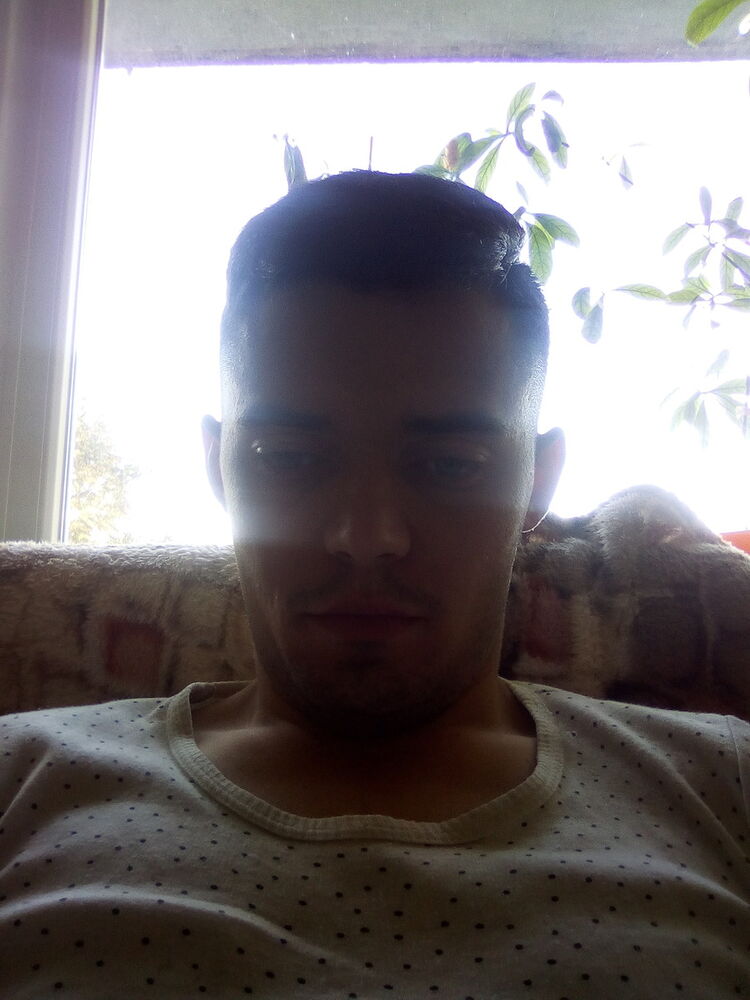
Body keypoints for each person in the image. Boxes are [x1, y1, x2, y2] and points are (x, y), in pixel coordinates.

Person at [1, 172, 748, 999]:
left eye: (449, 465)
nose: (364, 537)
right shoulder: (22, 779)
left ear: (538, 479)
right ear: (218, 467)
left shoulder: (723, 786)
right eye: (289, 458)